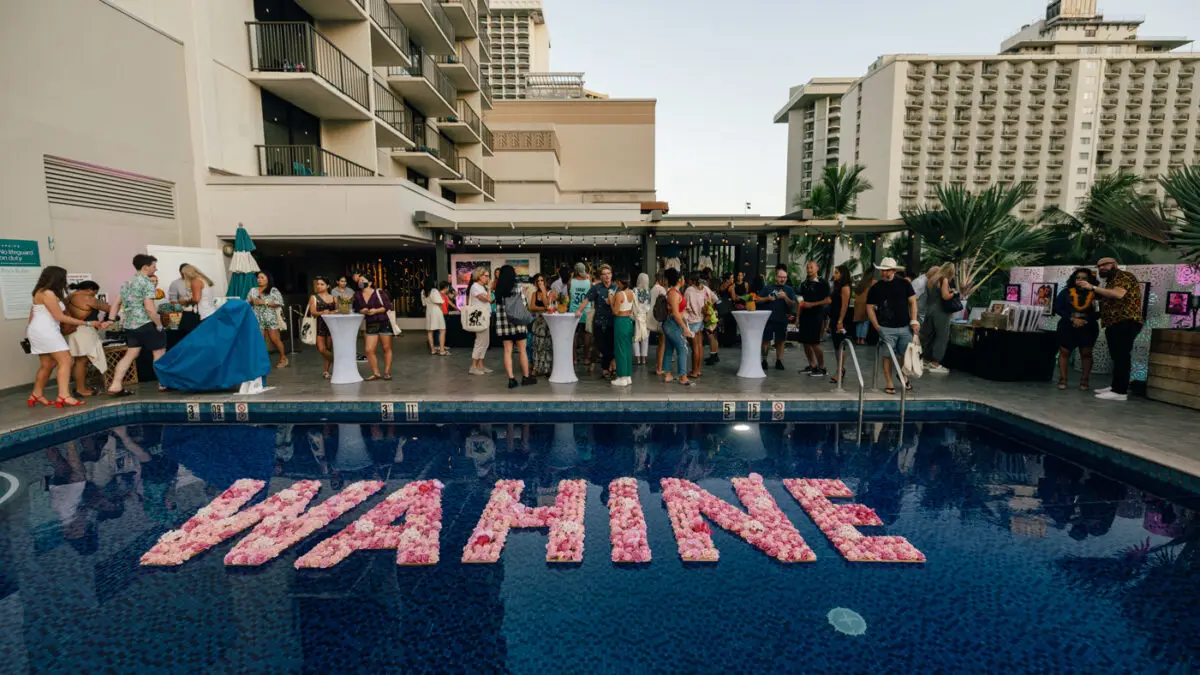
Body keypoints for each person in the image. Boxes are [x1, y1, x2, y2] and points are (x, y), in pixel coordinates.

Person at [26, 267, 109, 407]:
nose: (65, 280)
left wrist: (31, 333)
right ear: (57, 278)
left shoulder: (39, 292)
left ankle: (36, 394)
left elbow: (32, 315)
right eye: (63, 278)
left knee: (48, 364)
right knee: (66, 360)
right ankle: (64, 396)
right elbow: (59, 316)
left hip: (38, 329)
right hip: (46, 331)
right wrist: (87, 323)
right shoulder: (48, 294)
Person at [1080, 257, 1143, 401]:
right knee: (1117, 356)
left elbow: (1118, 294)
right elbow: (1108, 297)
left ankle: (1120, 392)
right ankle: (1116, 386)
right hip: (1114, 323)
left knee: (1121, 356)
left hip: (1125, 322)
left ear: (1114, 265)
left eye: (1105, 265)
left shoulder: (1124, 276)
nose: (1101, 267)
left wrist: (1093, 287)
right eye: (1099, 266)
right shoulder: (1111, 281)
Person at [107, 254, 167, 396]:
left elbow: (116, 303)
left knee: (130, 354)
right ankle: (163, 383)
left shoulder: (127, 283)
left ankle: (115, 385)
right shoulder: (147, 283)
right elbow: (149, 309)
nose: (155, 269)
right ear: (145, 267)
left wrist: (110, 320)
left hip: (130, 325)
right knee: (159, 352)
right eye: (154, 266)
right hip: (146, 323)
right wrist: (158, 324)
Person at [867, 257, 919, 395]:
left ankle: (903, 376)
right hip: (886, 327)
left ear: (894, 271)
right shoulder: (876, 287)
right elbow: (869, 307)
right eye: (882, 270)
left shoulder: (904, 284)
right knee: (887, 355)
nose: (884, 273)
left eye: (887, 270)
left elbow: (913, 302)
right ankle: (889, 382)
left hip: (904, 325)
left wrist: (914, 321)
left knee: (904, 354)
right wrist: (877, 326)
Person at [1054, 268, 1101, 392]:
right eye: (1077, 278)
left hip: (1088, 326)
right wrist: (1072, 319)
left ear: (1089, 280)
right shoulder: (1065, 292)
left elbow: (1102, 311)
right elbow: (1058, 308)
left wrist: (1086, 320)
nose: (1080, 280)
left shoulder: (1096, 293)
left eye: (1084, 278)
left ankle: (1084, 380)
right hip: (1068, 325)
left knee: (1086, 354)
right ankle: (1063, 379)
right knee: (1064, 352)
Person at [63, 281, 112, 397]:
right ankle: (81, 389)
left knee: (79, 361)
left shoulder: (67, 298)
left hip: (72, 332)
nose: (94, 296)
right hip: (84, 331)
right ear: (90, 289)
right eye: (95, 293)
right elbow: (109, 308)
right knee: (82, 361)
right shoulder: (87, 298)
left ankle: (81, 387)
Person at [493, 265, 536, 389]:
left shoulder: (498, 289)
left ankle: (511, 380)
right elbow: (523, 304)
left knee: (507, 352)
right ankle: (526, 377)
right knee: (522, 351)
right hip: (518, 324)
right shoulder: (517, 287)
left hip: (504, 325)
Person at [576, 264, 617, 379]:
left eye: (608, 274)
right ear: (601, 276)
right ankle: (612, 363)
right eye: (604, 274)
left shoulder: (616, 288)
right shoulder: (596, 288)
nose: (606, 276)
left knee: (611, 345)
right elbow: (586, 299)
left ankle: (605, 369)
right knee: (601, 345)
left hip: (613, 322)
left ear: (611, 275)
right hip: (598, 322)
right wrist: (579, 310)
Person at [755, 265, 798, 372]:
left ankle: (779, 361)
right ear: (776, 277)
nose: (782, 279)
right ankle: (764, 360)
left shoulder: (789, 289)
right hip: (768, 319)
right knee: (766, 340)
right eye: (780, 277)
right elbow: (757, 300)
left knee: (781, 340)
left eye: (784, 277)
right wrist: (768, 298)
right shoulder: (768, 287)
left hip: (781, 318)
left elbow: (793, 305)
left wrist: (785, 297)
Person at [352, 273, 394, 381]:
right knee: (369, 349)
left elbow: (388, 306)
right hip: (370, 323)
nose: (360, 282)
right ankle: (376, 373)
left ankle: (387, 372)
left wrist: (376, 310)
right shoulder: (357, 295)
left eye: (363, 280)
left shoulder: (379, 292)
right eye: (359, 280)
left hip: (383, 322)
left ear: (370, 283)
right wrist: (362, 310)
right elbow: (356, 308)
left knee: (386, 348)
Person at [918, 263, 957, 374]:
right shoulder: (943, 279)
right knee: (942, 336)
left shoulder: (932, 279)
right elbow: (945, 296)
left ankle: (926, 359)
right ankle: (936, 362)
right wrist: (953, 293)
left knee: (930, 335)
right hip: (941, 312)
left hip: (929, 310)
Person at [248, 271, 288, 369]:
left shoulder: (273, 290)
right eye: (258, 278)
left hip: (270, 317)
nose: (260, 280)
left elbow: (280, 302)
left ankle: (283, 358)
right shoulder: (253, 290)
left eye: (262, 278)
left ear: (268, 279)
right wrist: (251, 301)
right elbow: (247, 302)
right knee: (259, 340)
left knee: (274, 339)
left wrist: (264, 302)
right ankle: (261, 360)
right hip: (257, 317)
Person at [797, 260, 831, 377]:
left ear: (817, 268)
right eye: (807, 267)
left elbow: (828, 300)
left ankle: (822, 367)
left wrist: (812, 304)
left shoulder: (823, 283)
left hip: (817, 316)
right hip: (804, 316)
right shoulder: (804, 284)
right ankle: (812, 365)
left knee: (815, 343)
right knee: (805, 342)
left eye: (811, 267)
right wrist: (797, 317)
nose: (809, 269)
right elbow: (800, 301)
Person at [661, 268, 694, 386]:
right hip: (673, 324)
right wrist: (684, 327)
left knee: (669, 349)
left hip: (672, 324)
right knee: (683, 348)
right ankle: (683, 377)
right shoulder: (674, 293)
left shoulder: (674, 292)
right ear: (680, 279)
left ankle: (668, 375)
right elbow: (675, 313)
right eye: (683, 277)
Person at [683, 271, 717, 378]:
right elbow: (714, 299)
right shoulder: (705, 289)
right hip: (701, 320)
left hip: (692, 321)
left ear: (692, 280)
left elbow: (685, 306)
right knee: (699, 346)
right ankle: (698, 370)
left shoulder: (689, 290)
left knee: (694, 348)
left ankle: (693, 371)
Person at [308, 277, 338, 379]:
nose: (319, 286)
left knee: (328, 348)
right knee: (321, 349)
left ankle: (326, 371)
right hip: (319, 324)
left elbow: (338, 310)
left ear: (328, 286)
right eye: (318, 284)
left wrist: (332, 312)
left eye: (322, 284)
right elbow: (312, 312)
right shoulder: (314, 297)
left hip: (331, 325)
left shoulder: (334, 298)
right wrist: (322, 312)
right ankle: (337, 362)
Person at [828, 265, 853, 384]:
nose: (834, 275)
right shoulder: (837, 286)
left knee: (841, 345)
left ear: (843, 274)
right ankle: (840, 368)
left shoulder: (845, 287)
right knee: (836, 345)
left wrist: (840, 321)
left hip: (841, 319)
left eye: (837, 273)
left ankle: (840, 370)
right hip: (834, 318)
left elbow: (844, 306)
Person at [610, 275, 636, 387]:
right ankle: (627, 376)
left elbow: (615, 311)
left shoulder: (619, 294)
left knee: (620, 349)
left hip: (620, 321)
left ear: (620, 282)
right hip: (628, 321)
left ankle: (621, 377)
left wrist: (611, 300)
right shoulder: (632, 293)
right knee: (627, 348)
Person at [467, 267, 493, 376]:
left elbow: (489, 299)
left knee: (485, 342)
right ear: (479, 276)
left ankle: (480, 365)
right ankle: (473, 366)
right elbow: (487, 299)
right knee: (480, 342)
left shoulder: (481, 287)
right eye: (485, 276)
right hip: (479, 318)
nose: (487, 278)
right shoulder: (475, 287)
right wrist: (490, 288)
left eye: (488, 276)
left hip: (485, 317)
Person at [528, 273, 553, 376]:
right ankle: (536, 367)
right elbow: (532, 307)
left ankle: (547, 369)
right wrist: (544, 309)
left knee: (546, 346)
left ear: (545, 282)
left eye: (542, 280)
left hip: (547, 323)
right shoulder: (534, 294)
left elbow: (548, 304)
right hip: (537, 322)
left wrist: (543, 291)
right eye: (538, 281)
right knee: (537, 345)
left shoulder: (550, 292)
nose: (540, 283)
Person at [567, 263, 591, 366]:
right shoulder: (589, 282)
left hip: (573, 312)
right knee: (587, 336)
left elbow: (570, 295)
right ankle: (585, 358)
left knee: (574, 336)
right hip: (586, 312)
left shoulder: (570, 282)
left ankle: (574, 359)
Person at [423, 280, 450, 356]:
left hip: (429, 312)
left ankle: (433, 350)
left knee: (430, 331)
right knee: (442, 330)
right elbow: (440, 301)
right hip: (436, 311)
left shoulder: (423, 292)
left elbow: (424, 303)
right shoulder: (434, 291)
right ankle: (442, 350)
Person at [633, 273, 652, 365]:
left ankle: (637, 358)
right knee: (645, 338)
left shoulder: (635, 290)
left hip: (637, 316)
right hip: (646, 317)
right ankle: (644, 358)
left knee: (635, 338)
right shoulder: (649, 291)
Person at [650, 272, 668, 374]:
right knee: (662, 344)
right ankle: (659, 368)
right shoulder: (661, 290)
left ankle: (659, 366)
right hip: (661, 319)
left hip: (654, 318)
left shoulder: (653, 288)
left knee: (660, 344)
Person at [853, 274, 876, 345]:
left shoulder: (860, 284)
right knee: (865, 323)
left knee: (859, 322)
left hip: (857, 305)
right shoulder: (871, 284)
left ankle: (857, 339)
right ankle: (862, 339)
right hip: (866, 304)